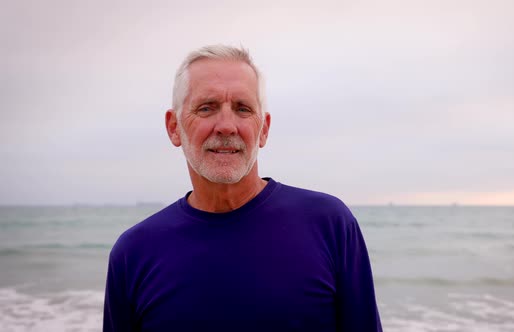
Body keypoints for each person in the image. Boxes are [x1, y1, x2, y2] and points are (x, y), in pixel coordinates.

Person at [103, 45, 382, 332]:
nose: (226, 126)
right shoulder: (134, 253)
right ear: (174, 127)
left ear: (263, 129)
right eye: (207, 107)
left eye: (243, 108)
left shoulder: (329, 223)